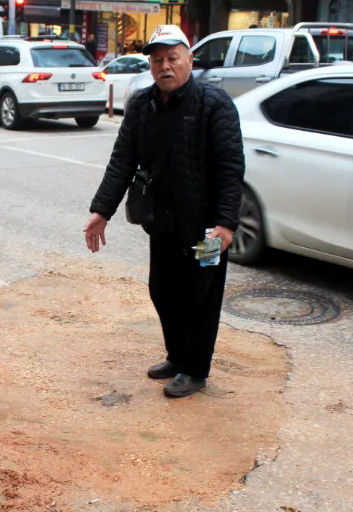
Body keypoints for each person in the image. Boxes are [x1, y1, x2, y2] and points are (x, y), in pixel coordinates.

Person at [83, 25, 244, 399]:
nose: (165, 67)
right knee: (163, 291)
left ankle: (195, 369)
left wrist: (225, 224)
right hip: (163, 223)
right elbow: (121, 161)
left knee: (200, 296)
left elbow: (230, 169)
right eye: (157, 60)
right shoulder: (142, 105)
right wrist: (101, 210)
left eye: (173, 58)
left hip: (206, 229)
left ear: (189, 59)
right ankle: (177, 356)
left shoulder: (214, 104)